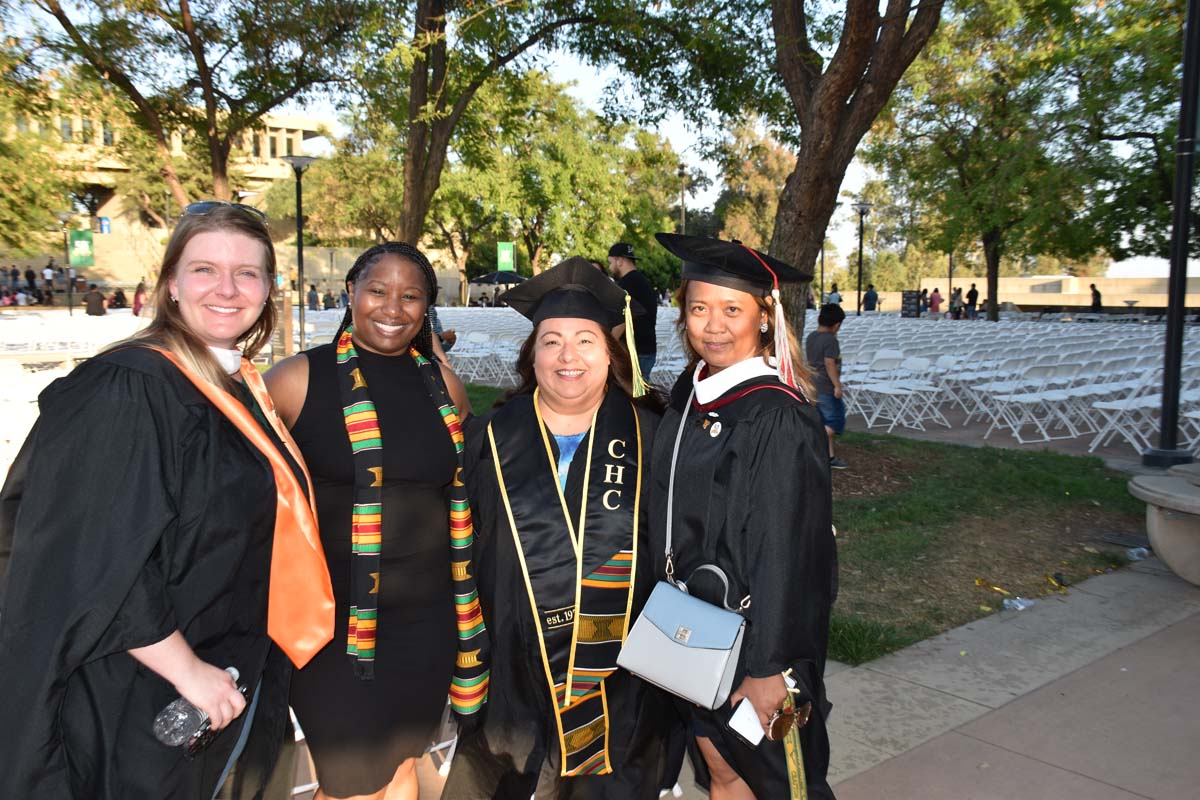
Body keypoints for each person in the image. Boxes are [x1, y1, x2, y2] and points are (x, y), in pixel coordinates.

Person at [0, 201, 334, 798]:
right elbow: (96, 555)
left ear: (269, 288)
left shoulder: (231, 381)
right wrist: (189, 673)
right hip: (144, 693)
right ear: (172, 284)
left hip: (227, 673)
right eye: (205, 269)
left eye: (247, 273)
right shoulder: (130, 388)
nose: (227, 289)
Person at [265, 242, 489, 800]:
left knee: (399, 769)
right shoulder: (296, 380)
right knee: (352, 782)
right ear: (351, 294)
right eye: (378, 291)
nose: (393, 307)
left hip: (429, 622)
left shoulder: (443, 386)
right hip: (337, 628)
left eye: (410, 295)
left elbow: (465, 486)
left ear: (427, 309)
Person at [443, 257, 670, 800]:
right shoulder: (489, 438)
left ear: (610, 351)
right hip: (512, 679)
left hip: (619, 682)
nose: (568, 356)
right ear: (532, 355)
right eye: (551, 341)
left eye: (585, 340)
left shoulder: (653, 437)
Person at [649, 233, 837, 799]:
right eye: (699, 308)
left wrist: (768, 666)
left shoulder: (779, 415)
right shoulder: (691, 390)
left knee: (777, 779)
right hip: (691, 630)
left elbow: (789, 550)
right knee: (717, 764)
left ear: (764, 317)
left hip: (754, 643)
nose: (713, 325)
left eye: (733, 310)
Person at [608, 242, 658, 379]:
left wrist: (608, 345)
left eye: (610, 262)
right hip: (646, 349)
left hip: (634, 352)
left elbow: (623, 319)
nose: (610, 267)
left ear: (619, 261)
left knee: (632, 396)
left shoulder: (626, 285)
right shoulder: (642, 281)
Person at [808, 303, 849, 471]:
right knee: (835, 421)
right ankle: (810, 445)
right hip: (826, 386)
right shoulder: (831, 340)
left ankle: (829, 457)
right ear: (837, 325)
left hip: (813, 384)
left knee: (821, 420)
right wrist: (837, 386)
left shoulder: (811, 336)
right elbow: (829, 362)